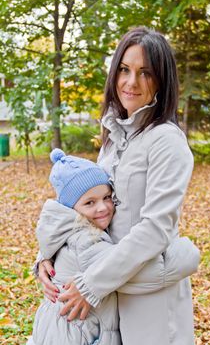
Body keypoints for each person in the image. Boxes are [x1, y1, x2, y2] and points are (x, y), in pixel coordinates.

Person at [38, 27, 198, 345]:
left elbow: (156, 228)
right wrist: (48, 257)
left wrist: (90, 285)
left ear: (161, 81)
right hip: (108, 301)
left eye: (145, 73)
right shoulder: (113, 136)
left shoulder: (166, 141)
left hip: (148, 300)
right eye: (124, 70)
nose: (131, 82)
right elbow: (85, 206)